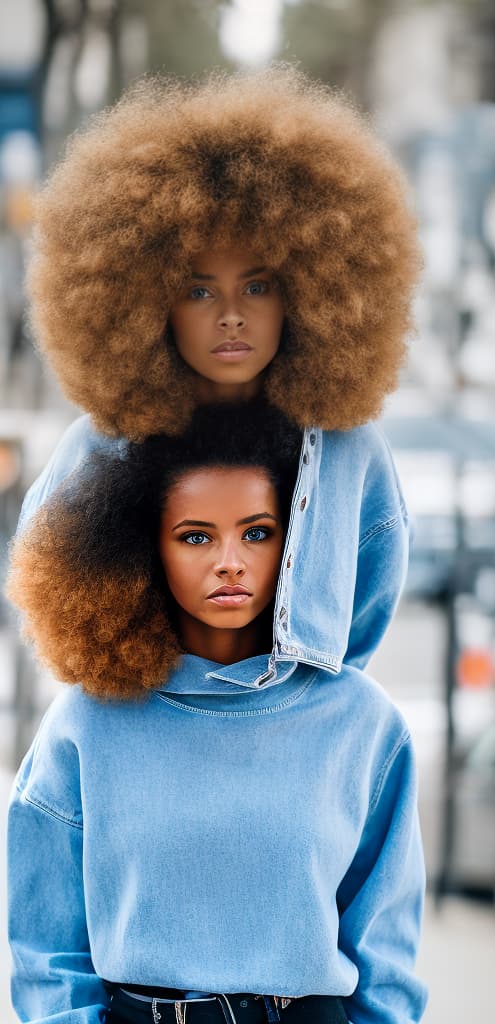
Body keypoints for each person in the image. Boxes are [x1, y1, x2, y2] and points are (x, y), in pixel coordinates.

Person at [7, 400, 427, 1024]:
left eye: (257, 532)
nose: (230, 560)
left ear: (294, 542)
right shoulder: (86, 724)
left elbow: (386, 961)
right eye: (196, 536)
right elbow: (46, 954)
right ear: (145, 548)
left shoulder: (364, 725)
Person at [18, 65, 421, 677]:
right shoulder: (101, 448)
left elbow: (364, 618)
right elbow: (52, 594)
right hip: (149, 727)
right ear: (150, 304)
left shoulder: (347, 452)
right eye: (199, 292)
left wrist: (313, 709)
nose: (232, 317)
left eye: (257, 286)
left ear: (306, 294)